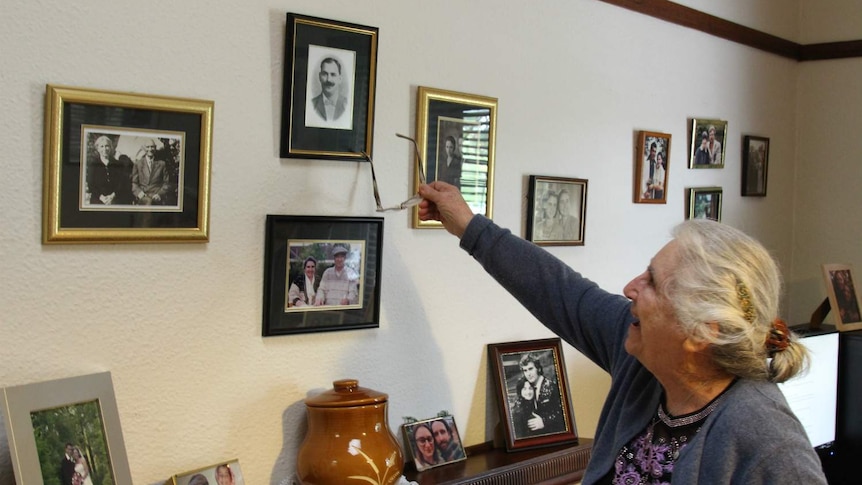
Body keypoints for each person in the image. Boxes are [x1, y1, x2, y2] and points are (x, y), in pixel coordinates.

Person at [416, 180, 827, 484]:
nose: (630, 287)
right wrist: (468, 225)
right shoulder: (640, 356)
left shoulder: (765, 438)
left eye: (651, 281)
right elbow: (559, 291)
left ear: (702, 331)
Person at [518, 353, 565, 434]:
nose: (528, 374)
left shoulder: (553, 387)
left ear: (538, 369)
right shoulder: (525, 387)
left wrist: (544, 421)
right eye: (525, 370)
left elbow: (564, 414)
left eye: (530, 369)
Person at [86, 135, 133, 205]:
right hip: (99, 198)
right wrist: (101, 197)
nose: (104, 149)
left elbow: (122, 183)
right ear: (98, 149)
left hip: (116, 197)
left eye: (107, 146)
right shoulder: (93, 165)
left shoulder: (118, 164)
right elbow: (91, 184)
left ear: (110, 148)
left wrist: (112, 196)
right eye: (102, 146)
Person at [131, 138, 170, 205]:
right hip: (143, 196)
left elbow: (166, 183)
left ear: (155, 148)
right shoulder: (138, 164)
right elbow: (134, 183)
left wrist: (159, 194)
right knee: (147, 203)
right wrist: (139, 193)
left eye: (152, 147)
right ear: (144, 149)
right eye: (148, 147)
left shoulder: (162, 164)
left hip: (156, 196)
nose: (150, 149)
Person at [311, 57, 348, 122]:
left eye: (333, 75)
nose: (328, 79)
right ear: (320, 77)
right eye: (325, 74)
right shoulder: (312, 104)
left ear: (340, 79)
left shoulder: (347, 105)